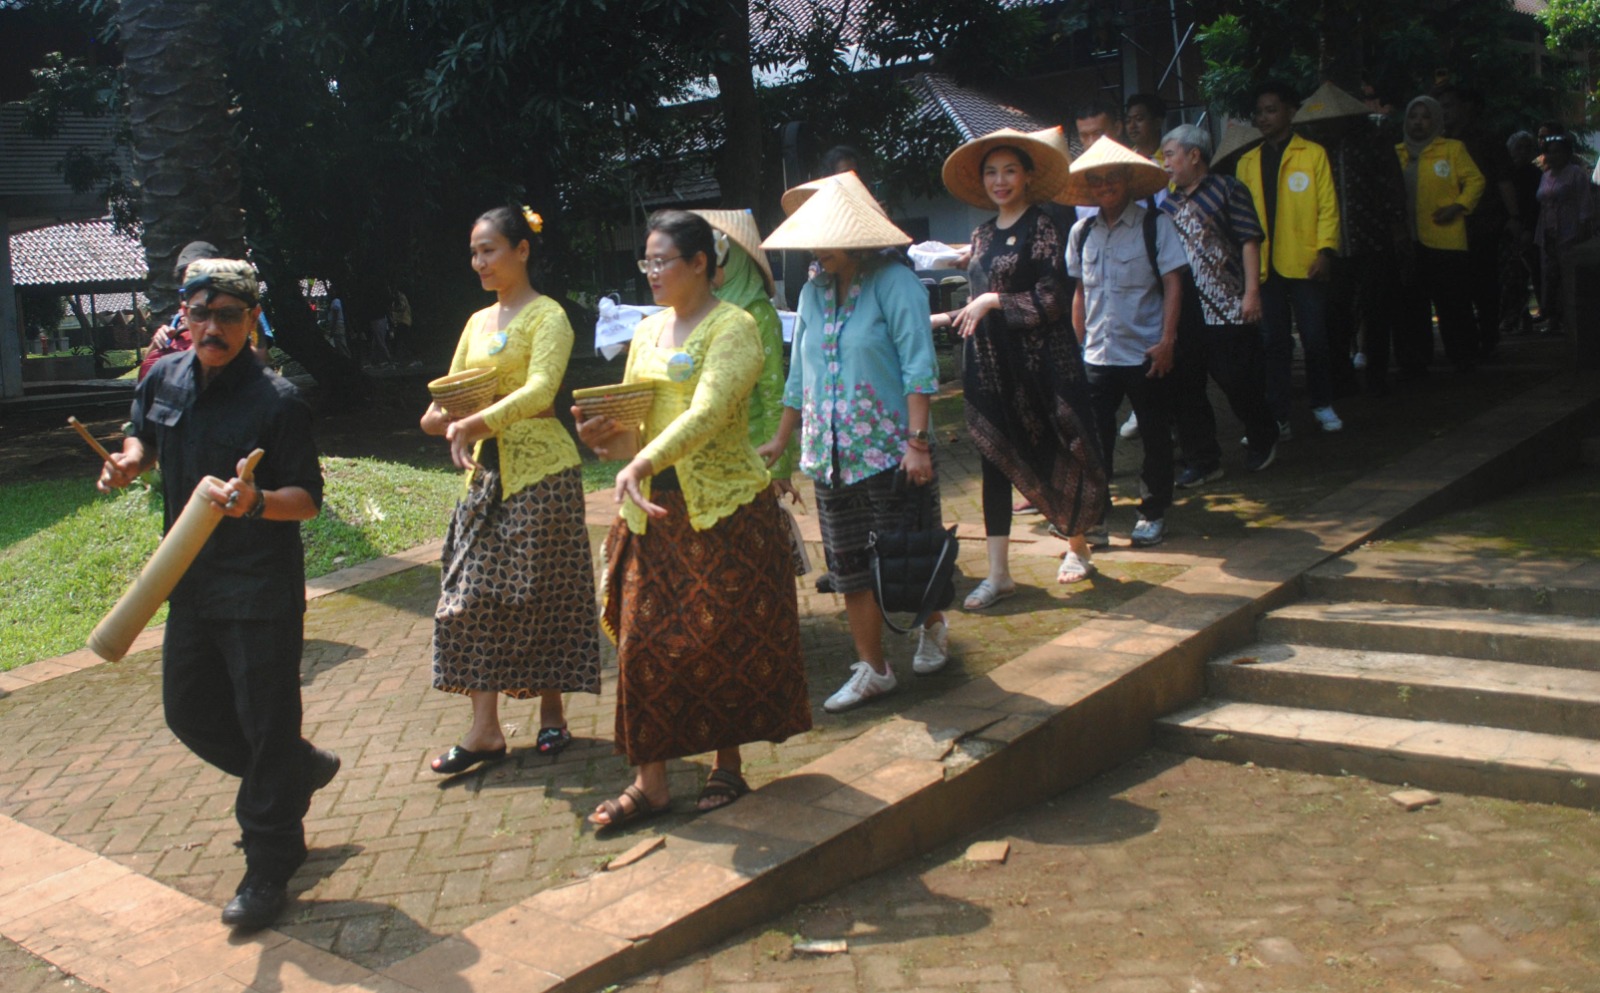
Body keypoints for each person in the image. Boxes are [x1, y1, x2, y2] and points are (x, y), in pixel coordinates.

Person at [97, 258, 336, 932]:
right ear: (182, 317)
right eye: (198, 314)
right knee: (190, 711)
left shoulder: (277, 400)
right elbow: (142, 432)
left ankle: (269, 861)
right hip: (190, 584)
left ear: (252, 318)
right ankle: (295, 768)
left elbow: (309, 501)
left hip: (259, 588)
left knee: (264, 724)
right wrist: (128, 461)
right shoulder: (162, 377)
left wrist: (256, 501)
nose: (210, 328)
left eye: (227, 315)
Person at [576, 210, 810, 827]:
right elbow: (636, 423)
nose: (652, 273)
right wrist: (609, 442)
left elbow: (708, 413)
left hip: (724, 511)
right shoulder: (649, 333)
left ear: (700, 264)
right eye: (646, 262)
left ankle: (726, 765)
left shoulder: (735, 328)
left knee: (721, 642)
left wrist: (642, 456)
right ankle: (649, 782)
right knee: (643, 646)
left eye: (663, 261)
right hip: (654, 512)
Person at [419, 206, 601, 775]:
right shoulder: (476, 324)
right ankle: (485, 731)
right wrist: (444, 419)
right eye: (474, 252)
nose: (479, 262)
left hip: (543, 472)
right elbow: (443, 400)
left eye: (490, 249)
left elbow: (544, 390)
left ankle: (553, 714)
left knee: (544, 593)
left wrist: (478, 421)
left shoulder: (549, 317)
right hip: (486, 479)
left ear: (523, 250)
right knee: (467, 597)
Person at [757, 177, 947, 711]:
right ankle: (874, 667)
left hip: (890, 450)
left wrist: (918, 443)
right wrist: (782, 439)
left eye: (831, 234)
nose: (819, 245)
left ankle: (933, 625)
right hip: (830, 454)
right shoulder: (812, 292)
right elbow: (801, 373)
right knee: (848, 566)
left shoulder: (896, 284)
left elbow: (919, 367)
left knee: (904, 559)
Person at [932, 127, 1106, 599]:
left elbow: (1052, 297)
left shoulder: (1044, 225)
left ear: (1028, 177)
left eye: (1010, 171)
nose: (1000, 180)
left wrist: (991, 299)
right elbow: (974, 304)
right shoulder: (982, 234)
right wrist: (932, 318)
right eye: (991, 172)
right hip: (991, 367)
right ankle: (999, 574)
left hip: (1042, 366)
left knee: (1057, 449)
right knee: (994, 460)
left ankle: (1077, 544)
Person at [1065, 138, 1190, 548]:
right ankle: (1096, 518)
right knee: (1093, 441)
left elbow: (1173, 284)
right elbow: (1080, 293)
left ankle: (1152, 513)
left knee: (1155, 437)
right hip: (1098, 355)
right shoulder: (1081, 233)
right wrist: (1078, 346)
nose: (1104, 186)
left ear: (1128, 181)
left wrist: (1168, 340)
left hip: (1146, 352)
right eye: (1096, 180)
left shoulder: (1156, 226)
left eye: (1112, 178)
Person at [1158, 124, 1279, 483]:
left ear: (1194, 155)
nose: (1165, 163)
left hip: (1228, 304)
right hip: (1185, 310)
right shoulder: (1169, 203)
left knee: (1236, 380)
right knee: (1186, 386)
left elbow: (1249, 239)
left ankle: (1263, 434)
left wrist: (1252, 293)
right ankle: (1203, 460)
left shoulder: (1228, 189)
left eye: (1170, 154)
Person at [1237, 80, 1344, 436]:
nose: (1264, 118)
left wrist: (1326, 250)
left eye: (1271, 110)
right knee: (1273, 342)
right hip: (1264, 266)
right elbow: (1240, 218)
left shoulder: (1312, 154)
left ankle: (1322, 403)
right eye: (1260, 112)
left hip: (1305, 261)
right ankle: (1278, 414)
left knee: (1315, 337)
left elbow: (1329, 206)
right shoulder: (1247, 162)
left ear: (1290, 112)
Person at [1295, 81, 1409, 396]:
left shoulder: (1374, 138)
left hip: (1373, 237)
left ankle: (1377, 374)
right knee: (1334, 312)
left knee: (1376, 310)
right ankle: (1341, 376)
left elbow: (1391, 184)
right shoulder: (1313, 147)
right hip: (1331, 245)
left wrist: (1398, 228)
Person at [690, 208, 799, 496]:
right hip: (709, 454)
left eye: (719, 257)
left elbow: (774, 390)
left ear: (738, 257)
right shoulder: (702, 310)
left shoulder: (759, 313)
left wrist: (779, 465)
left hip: (755, 453)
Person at [1394, 95, 1486, 374]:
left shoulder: (1452, 149)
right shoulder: (1396, 153)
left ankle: (1463, 356)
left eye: (1425, 117)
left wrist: (1458, 206)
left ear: (1436, 120)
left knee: (1453, 302)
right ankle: (1414, 362)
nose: (1418, 122)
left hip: (1446, 240)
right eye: (1413, 116)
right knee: (1411, 306)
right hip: (1407, 242)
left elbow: (1475, 180)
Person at [1437, 85, 1522, 360]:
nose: (1445, 112)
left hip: (1483, 221)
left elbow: (1503, 179)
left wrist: (1514, 218)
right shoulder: (1437, 141)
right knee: (1453, 285)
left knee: (1485, 281)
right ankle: (1463, 339)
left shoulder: (1486, 139)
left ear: (1467, 106)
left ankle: (1487, 334)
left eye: (1449, 105)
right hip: (1446, 225)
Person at [1532, 130, 1595, 337]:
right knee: (1549, 277)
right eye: (1549, 153)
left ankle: (1573, 320)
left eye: (1557, 152)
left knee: (1569, 278)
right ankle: (1553, 318)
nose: (1552, 156)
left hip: (1570, 230)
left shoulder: (1576, 174)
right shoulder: (1545, 176)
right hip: (1548, 232)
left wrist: (1583, 227)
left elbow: (1585, 203)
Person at [139, 240, 219, 381]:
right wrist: (156, 344)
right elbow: (148, 370)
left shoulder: (241, 311)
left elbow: (259, 359)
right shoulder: (179, 318)